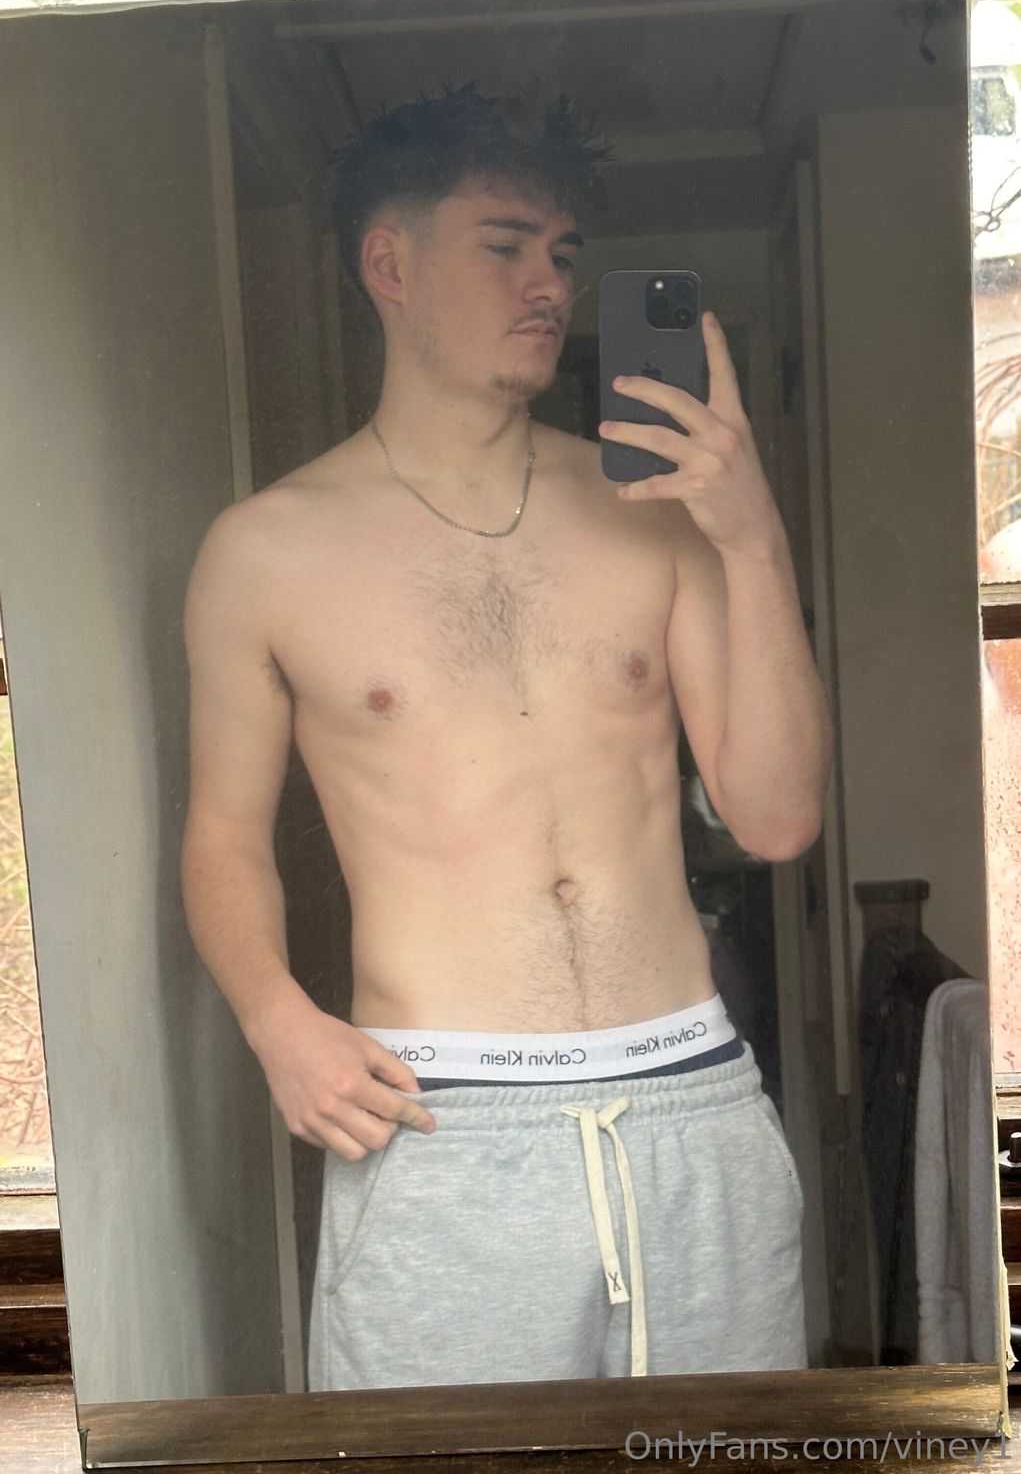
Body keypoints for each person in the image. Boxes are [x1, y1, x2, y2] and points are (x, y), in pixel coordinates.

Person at [180, 82, 834, 1392]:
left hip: (690, 1100)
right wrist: (275, 1018)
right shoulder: (264, 552)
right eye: (504, 246)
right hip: (440, 1124)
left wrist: (754, 537)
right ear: (390, 265)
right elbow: (221, 834)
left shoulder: (658, 515)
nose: (548, 284)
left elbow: (775, 818)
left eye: (563, 254)